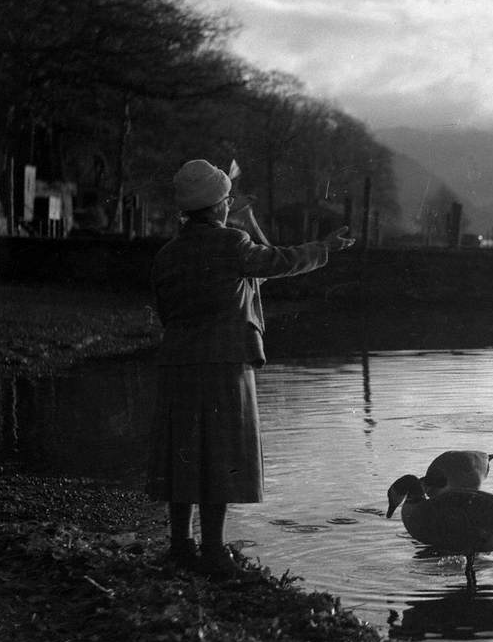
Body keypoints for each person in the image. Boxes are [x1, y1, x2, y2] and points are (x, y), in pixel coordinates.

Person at [146, 158, 355, 577]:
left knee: (184, 454)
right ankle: (213, 552)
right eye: (226, 200)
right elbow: (280, 261)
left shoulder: (167, 254)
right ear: (218, 206)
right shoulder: (233, 244)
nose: (229, 206)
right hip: (224, 360)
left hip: (176, 362)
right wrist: (325, 248)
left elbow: (166, 310)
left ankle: (180, 546)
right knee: (220, 453)